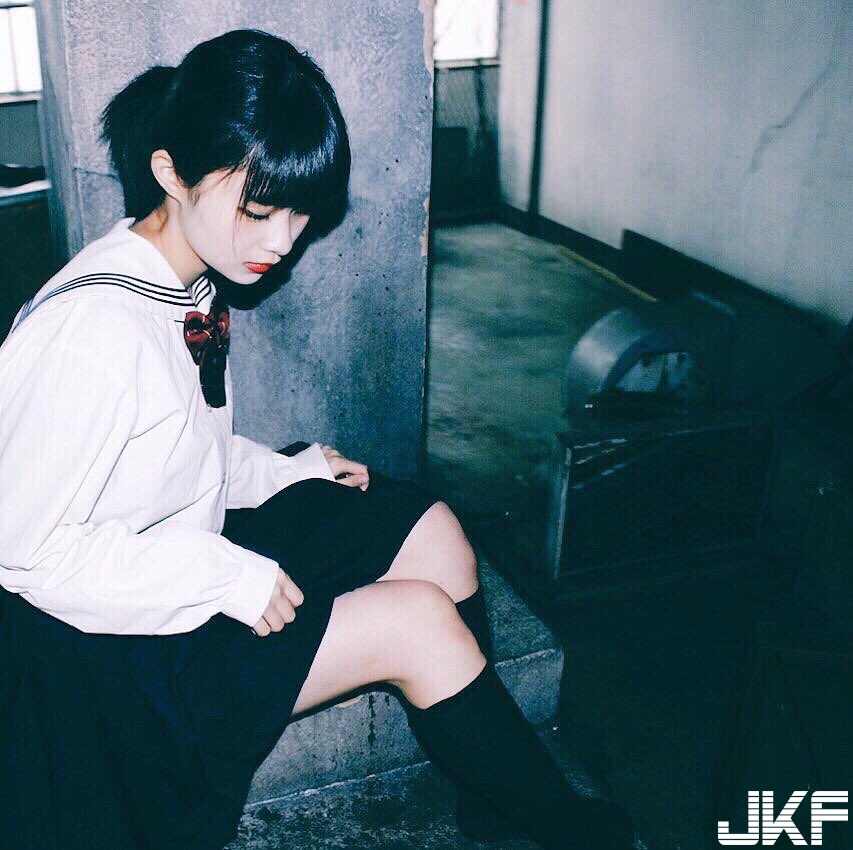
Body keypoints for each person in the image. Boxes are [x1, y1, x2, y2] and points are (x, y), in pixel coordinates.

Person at [0, 29, 633, 850]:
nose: (281, 242)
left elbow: (169, 453)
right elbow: (22, 552)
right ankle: (567, 831)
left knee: (428, 529)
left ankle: (496, 802)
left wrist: (281, 472)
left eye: (300, 212)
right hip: (114, 659)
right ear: (171, 173)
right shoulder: (90, 334)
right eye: (259, 211)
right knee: (416, 622)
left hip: (170, 564)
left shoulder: (185, 280)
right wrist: (225, 576)